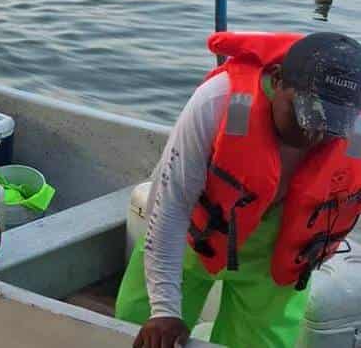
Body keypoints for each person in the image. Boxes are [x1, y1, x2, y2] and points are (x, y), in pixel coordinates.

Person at [116, 31, 361, 348]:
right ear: (277, 81)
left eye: (331, 125)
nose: (313, 133)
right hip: (197, 233)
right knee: (138, 329)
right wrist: (164, 309)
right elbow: (171, 207)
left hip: (276, 256)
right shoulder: (217, 100)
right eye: (305, 114)